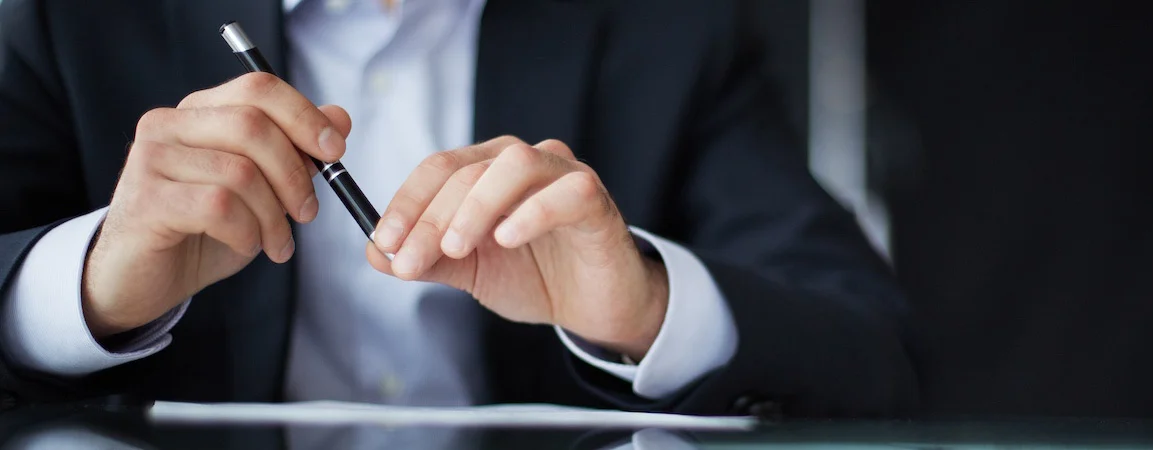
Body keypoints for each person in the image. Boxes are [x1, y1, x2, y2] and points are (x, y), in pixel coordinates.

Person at [0, 0, 917, 419]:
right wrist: (87, 287)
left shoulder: (667, 28)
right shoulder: (66, 15)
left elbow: (872, 351)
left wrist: (642, 310)